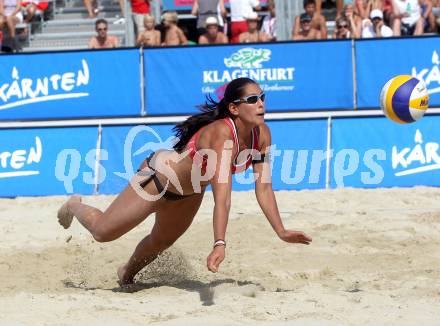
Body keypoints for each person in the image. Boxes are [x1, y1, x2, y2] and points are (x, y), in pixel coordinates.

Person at [57, 78, 312, 286]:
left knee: (159, 243)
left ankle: (125, 272)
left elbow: (264, 188)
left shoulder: (263, 135)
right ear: (234, 108)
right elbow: (222, 197)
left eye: (262, 97)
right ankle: (73, 204)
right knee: (102, 232)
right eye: (252, 99)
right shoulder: (221, 134)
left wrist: (281, 230)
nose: (261, 104)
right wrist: (219, 243)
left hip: (189, 193)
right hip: (158, 180)